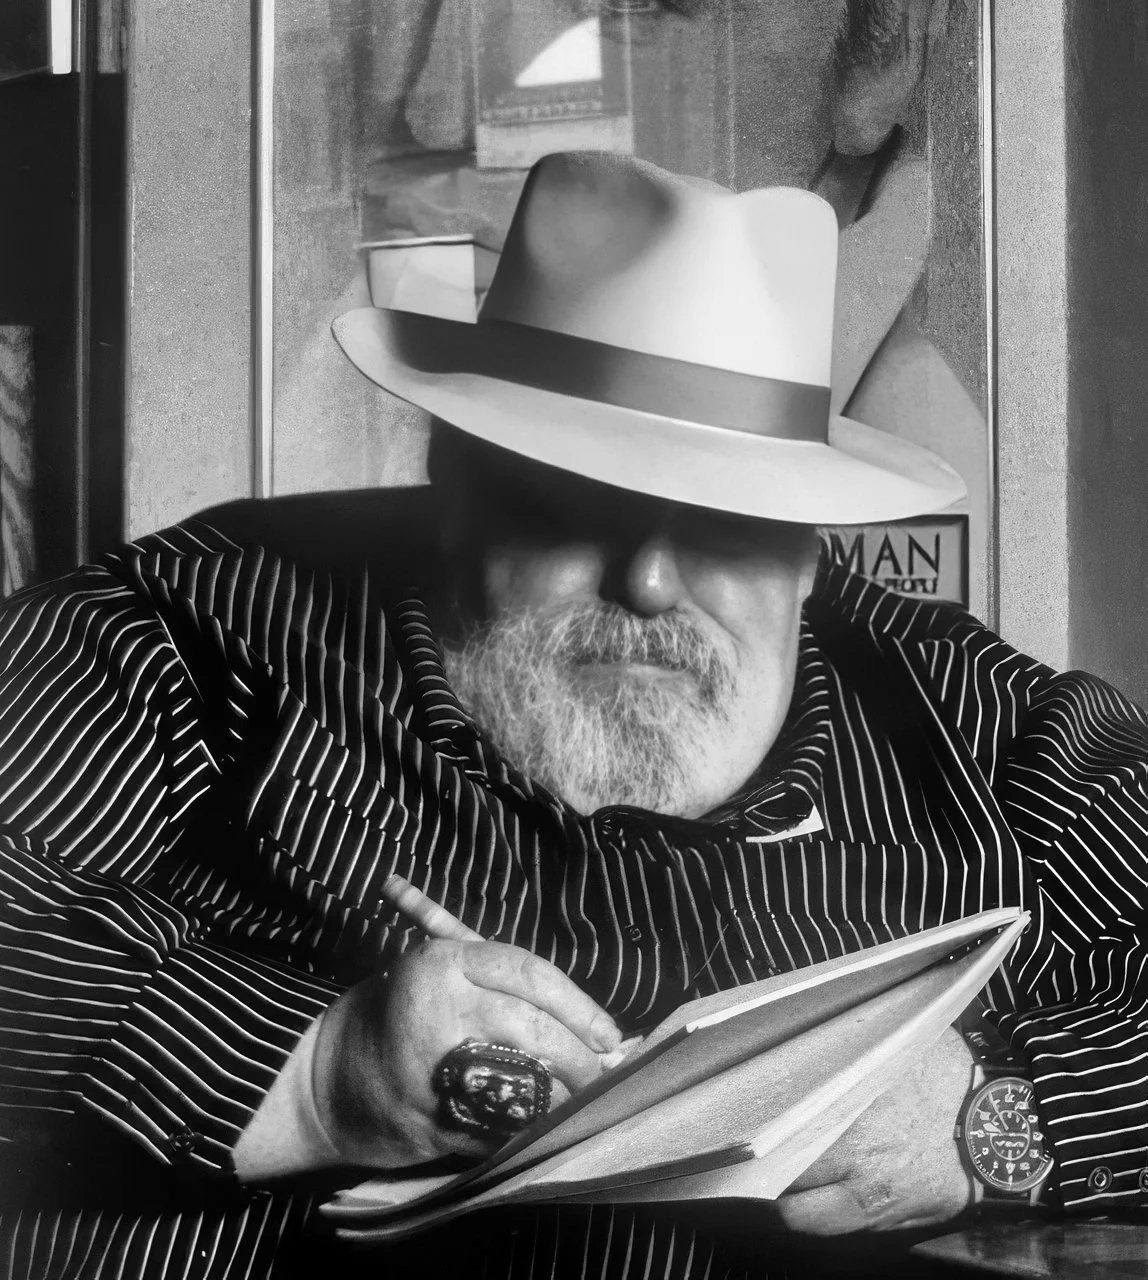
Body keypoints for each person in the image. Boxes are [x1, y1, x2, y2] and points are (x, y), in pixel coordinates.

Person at [1, 152, 1146, 1280]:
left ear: (808, 551)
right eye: (571, 501)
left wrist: (993, 1107)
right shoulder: (189, 629)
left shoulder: (980, 729)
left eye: (728, 523)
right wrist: (317, 1069)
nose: (647, 580)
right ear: (453, 484)